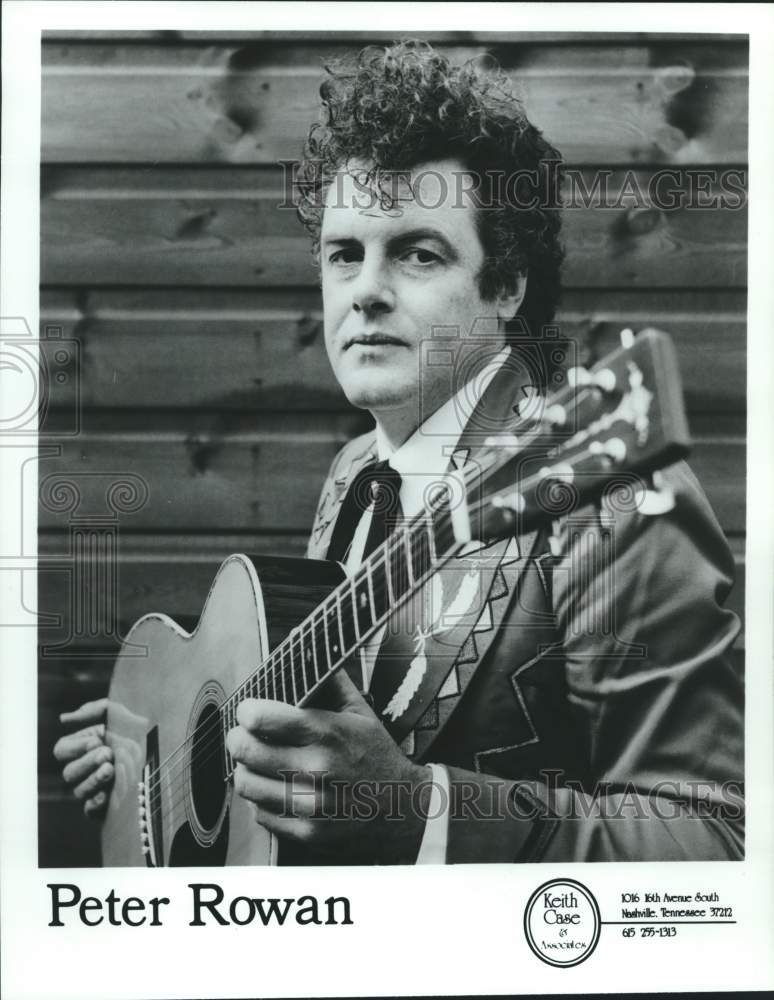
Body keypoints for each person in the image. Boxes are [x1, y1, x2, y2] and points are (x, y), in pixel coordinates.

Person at [54, 41, 743, 864]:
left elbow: (715, 843)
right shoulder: (355, 476)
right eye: (344, 253)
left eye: (418, 252)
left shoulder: (611, 494)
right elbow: (306, 746)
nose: (366, 290)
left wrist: (422, 811)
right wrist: (156, 762)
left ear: (507, 284)